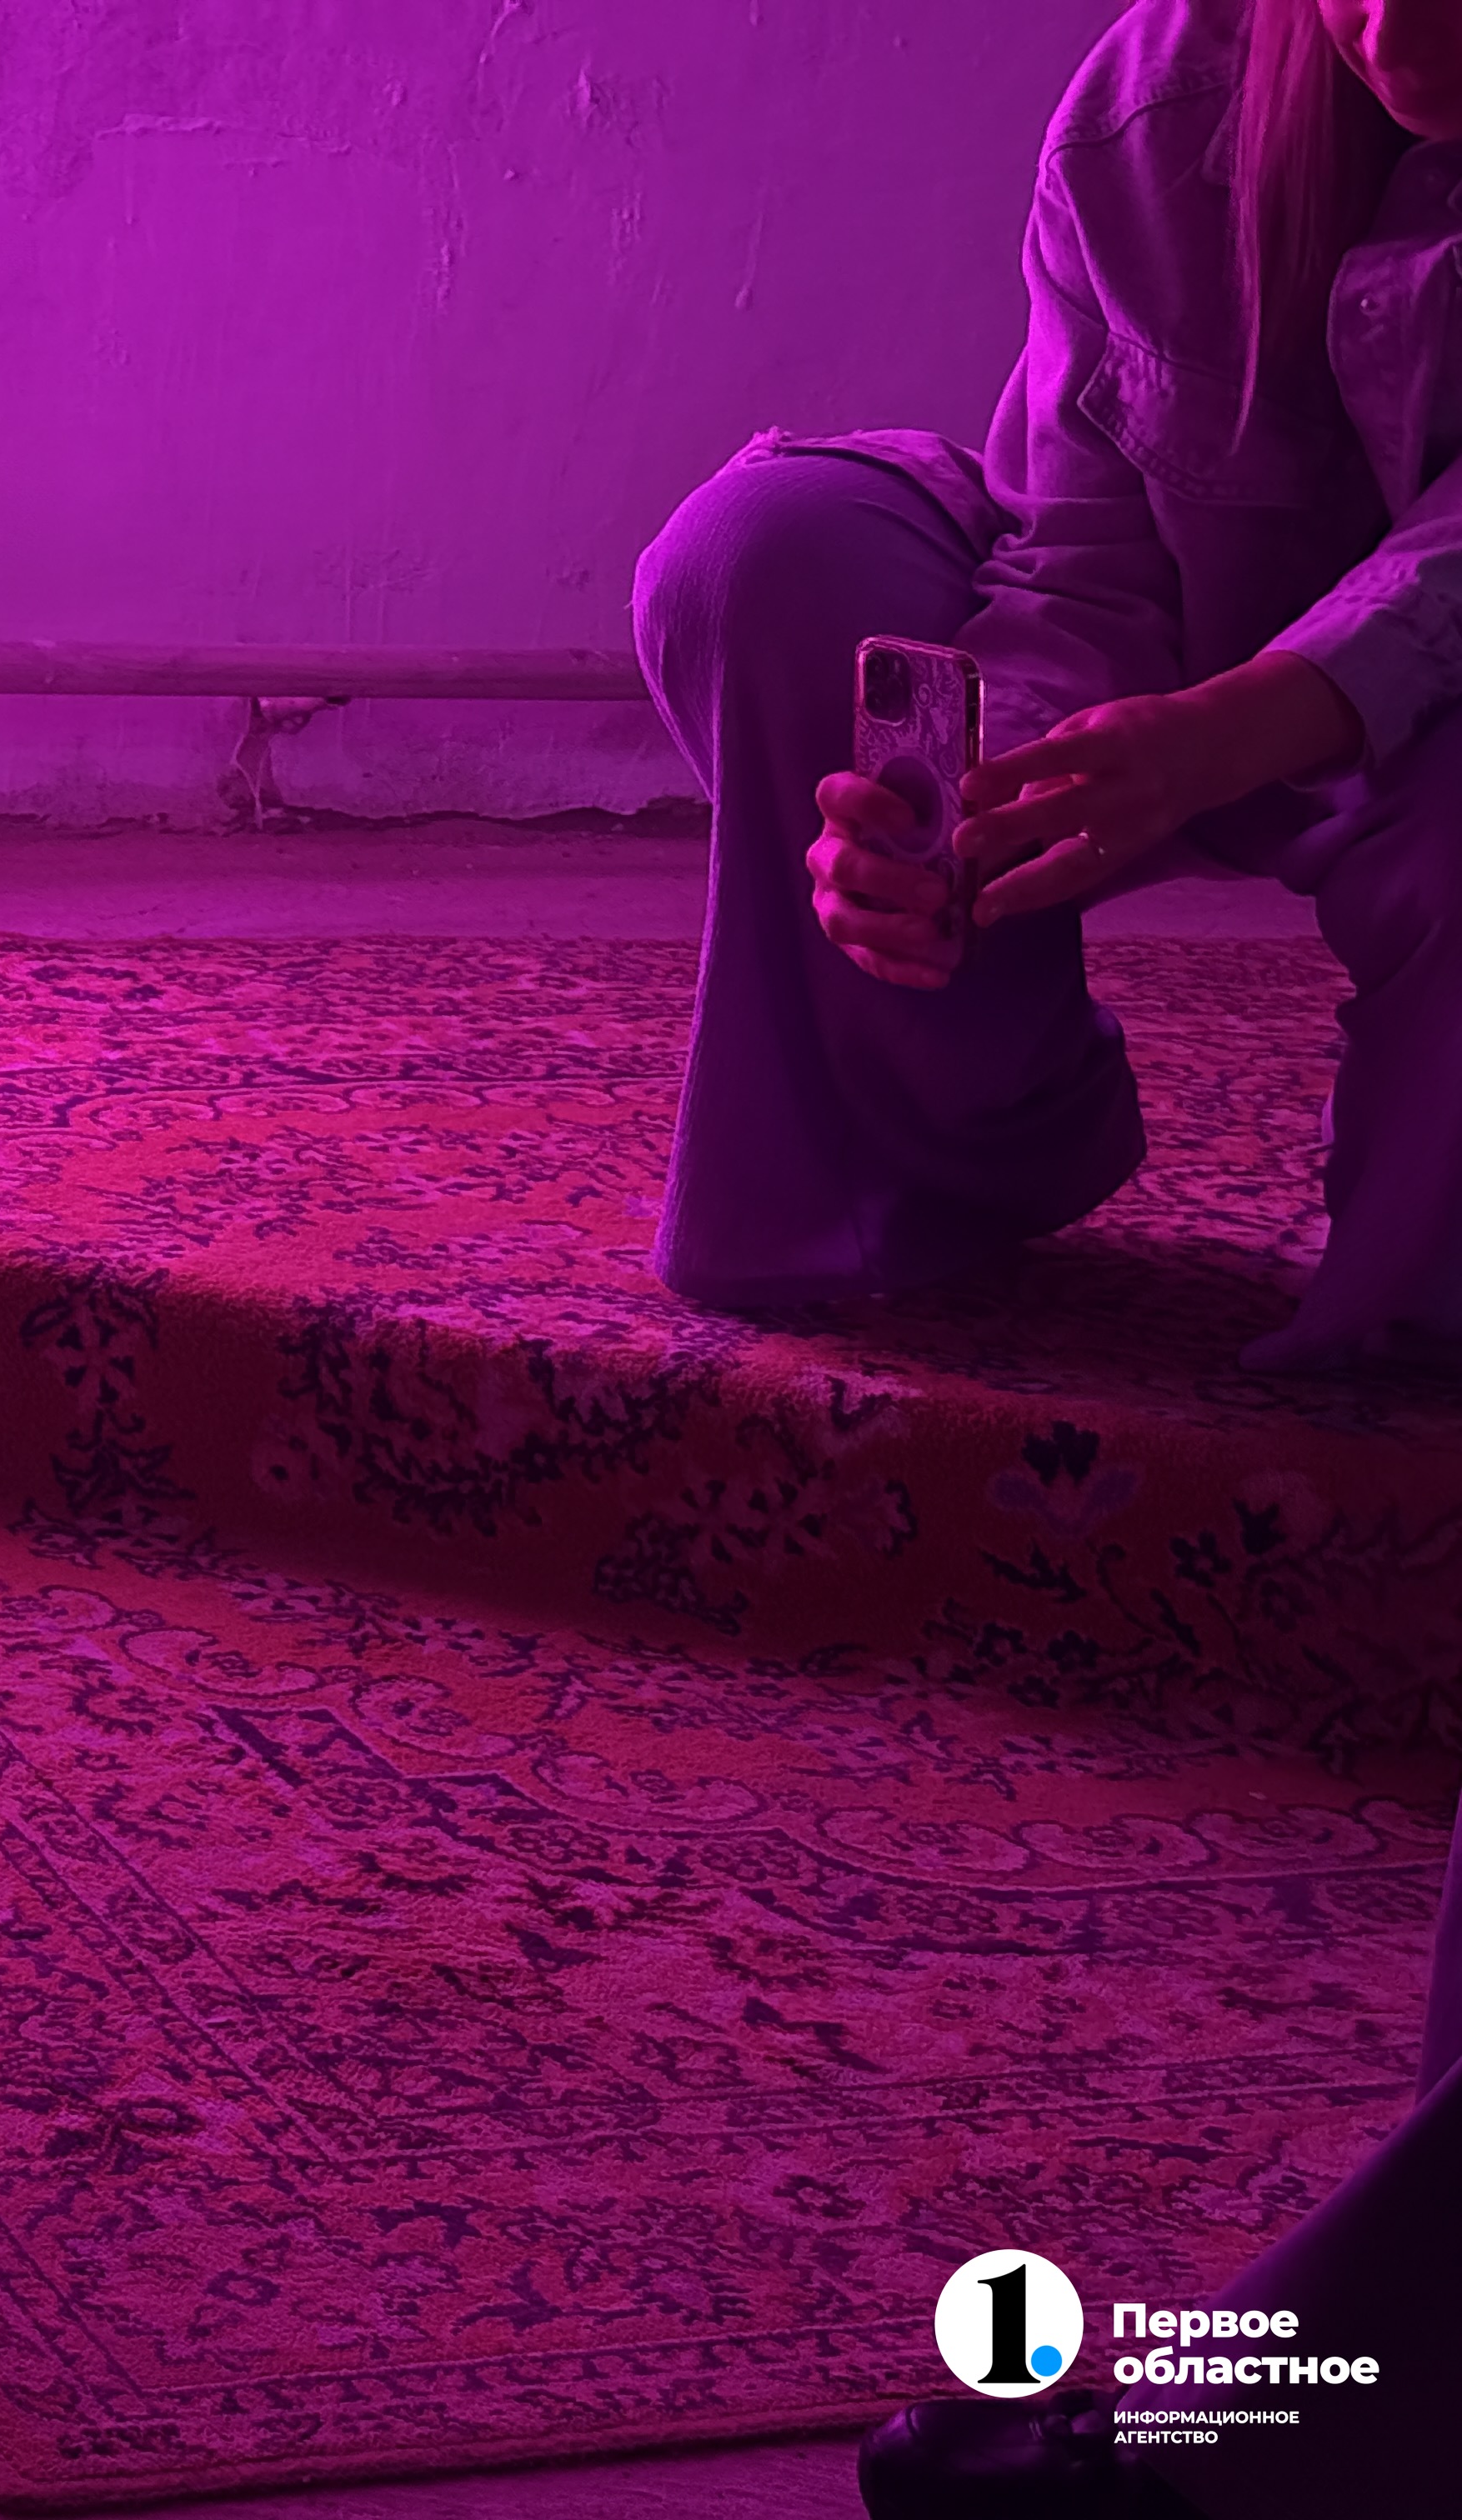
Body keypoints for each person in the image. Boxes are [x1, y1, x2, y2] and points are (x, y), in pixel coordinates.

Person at [633, 0, 1461, 2508]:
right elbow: (1090, 549)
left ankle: (1268, 2413)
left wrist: (1269, 716)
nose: (1399, 27)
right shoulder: (1170, 96)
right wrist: (984, 793)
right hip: (1232, 681)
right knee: (789, 555)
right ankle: (957, 1132)